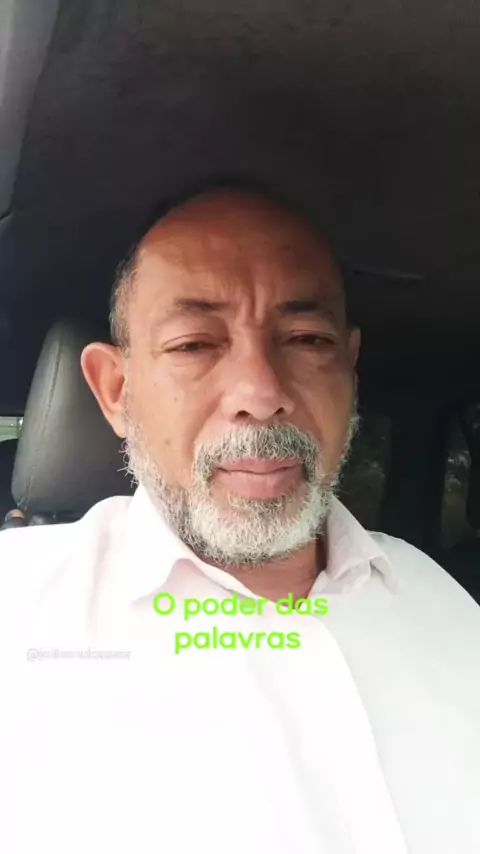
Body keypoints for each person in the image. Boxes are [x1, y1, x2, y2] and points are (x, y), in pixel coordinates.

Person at [0, 185, 479, 854]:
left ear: (350, 371)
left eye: (306, 339)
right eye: (194, 344)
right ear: (116, 391)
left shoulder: (442, 601)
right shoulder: (17, 609)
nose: (261, 393)